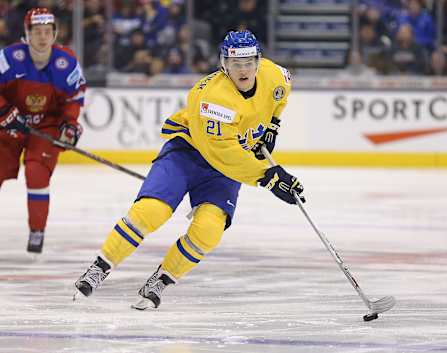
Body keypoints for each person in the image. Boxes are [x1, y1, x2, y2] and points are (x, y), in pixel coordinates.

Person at [74, 30, 305, 310]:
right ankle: (101, 266)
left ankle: (162, 279)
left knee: (209, 229)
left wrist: (272, 126)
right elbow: (223, 154)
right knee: (151, 211)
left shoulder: (276, 76)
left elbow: (279, 97)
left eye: (248, 63)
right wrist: (268, 177)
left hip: (227, 167)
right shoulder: (213, 99)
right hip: (188, 154)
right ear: (224, 65)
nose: (243, 70)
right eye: (235, 64)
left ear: (259, 61)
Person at [0, 8, 86, 253]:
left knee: (37, 173)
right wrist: (3, 112)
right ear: (26, 34)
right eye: (37, 31)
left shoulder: (66, 62)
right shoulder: (9, 58)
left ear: (55, 34)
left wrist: (69, 125)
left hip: (45, 127)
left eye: (47, 31)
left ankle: (37, 230)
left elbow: (74, 99)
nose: (42, 37)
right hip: (8, 125)